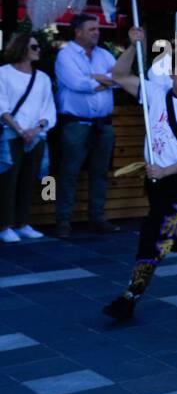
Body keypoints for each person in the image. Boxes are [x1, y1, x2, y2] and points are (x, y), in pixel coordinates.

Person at [102, 31, 177, 320]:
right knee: (175, 233)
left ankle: (130, 299)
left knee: (154, 238)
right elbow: (118, 74)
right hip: (156, 181)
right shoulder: (156, 93)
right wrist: (133, 45)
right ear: (171, 74)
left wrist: (167, 170)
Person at [53, 14, 127, 237]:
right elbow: (78, 83)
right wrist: (105, 80)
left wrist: (97, 78)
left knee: (100, 172)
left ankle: (97, 216)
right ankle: (63, 221)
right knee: (68, 173)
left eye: (98, 29)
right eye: (92, 29)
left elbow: (120, 79)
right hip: (75, 124)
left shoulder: (104, 54)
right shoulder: (65, 55)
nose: (97, 32)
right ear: (78, 32)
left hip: (102, 125)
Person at [0, 31, 55, 242]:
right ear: (22, 48)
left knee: (29, 181)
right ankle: (4, 225)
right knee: (8, 181)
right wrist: (20, 130)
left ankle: (22, 223)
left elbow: (48, 107)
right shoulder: (3, 73)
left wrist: (36, 129)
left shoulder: (42, 78)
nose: (38, 50)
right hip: (10, 134)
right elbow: (2, 106)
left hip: (36, 136)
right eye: (34, 47)